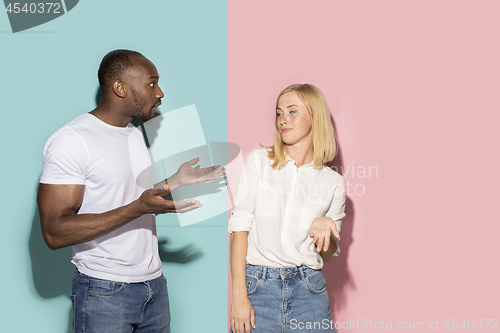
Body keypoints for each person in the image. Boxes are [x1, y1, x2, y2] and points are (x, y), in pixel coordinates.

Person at [37, 49, 224, 333]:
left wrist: (172, 182)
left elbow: (128, 197)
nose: (160, 92)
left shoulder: (133, 134)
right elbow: (54, 231)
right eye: (151, 83)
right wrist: (138, 207)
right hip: (104, 291)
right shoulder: (73, 141)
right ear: (120, 88)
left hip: (154, 288)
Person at [229, 84, 346, 333]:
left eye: (292, 112)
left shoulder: (333, 182)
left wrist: (324, 229)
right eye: (279, 112)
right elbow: (240, 227)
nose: (283, 119)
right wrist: (239, 296)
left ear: (315, 117)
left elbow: (327, 253)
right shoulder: (259, 162)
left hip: (309, 292)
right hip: (258, 289)